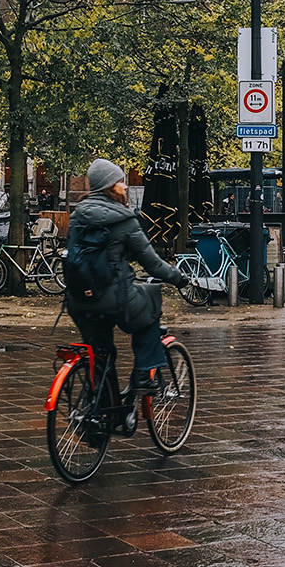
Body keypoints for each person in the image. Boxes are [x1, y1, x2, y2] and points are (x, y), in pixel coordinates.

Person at [63, 159, 189, 401]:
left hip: (78, 300)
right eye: (120, 182)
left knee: (101, 353)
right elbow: (152, 263)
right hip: (113, 298)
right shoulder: (124, 219)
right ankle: (144, 374)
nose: (125, 186)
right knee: (151, 304)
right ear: (109, 187)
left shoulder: (77, 215)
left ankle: (100, 415)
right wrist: (180, 279)